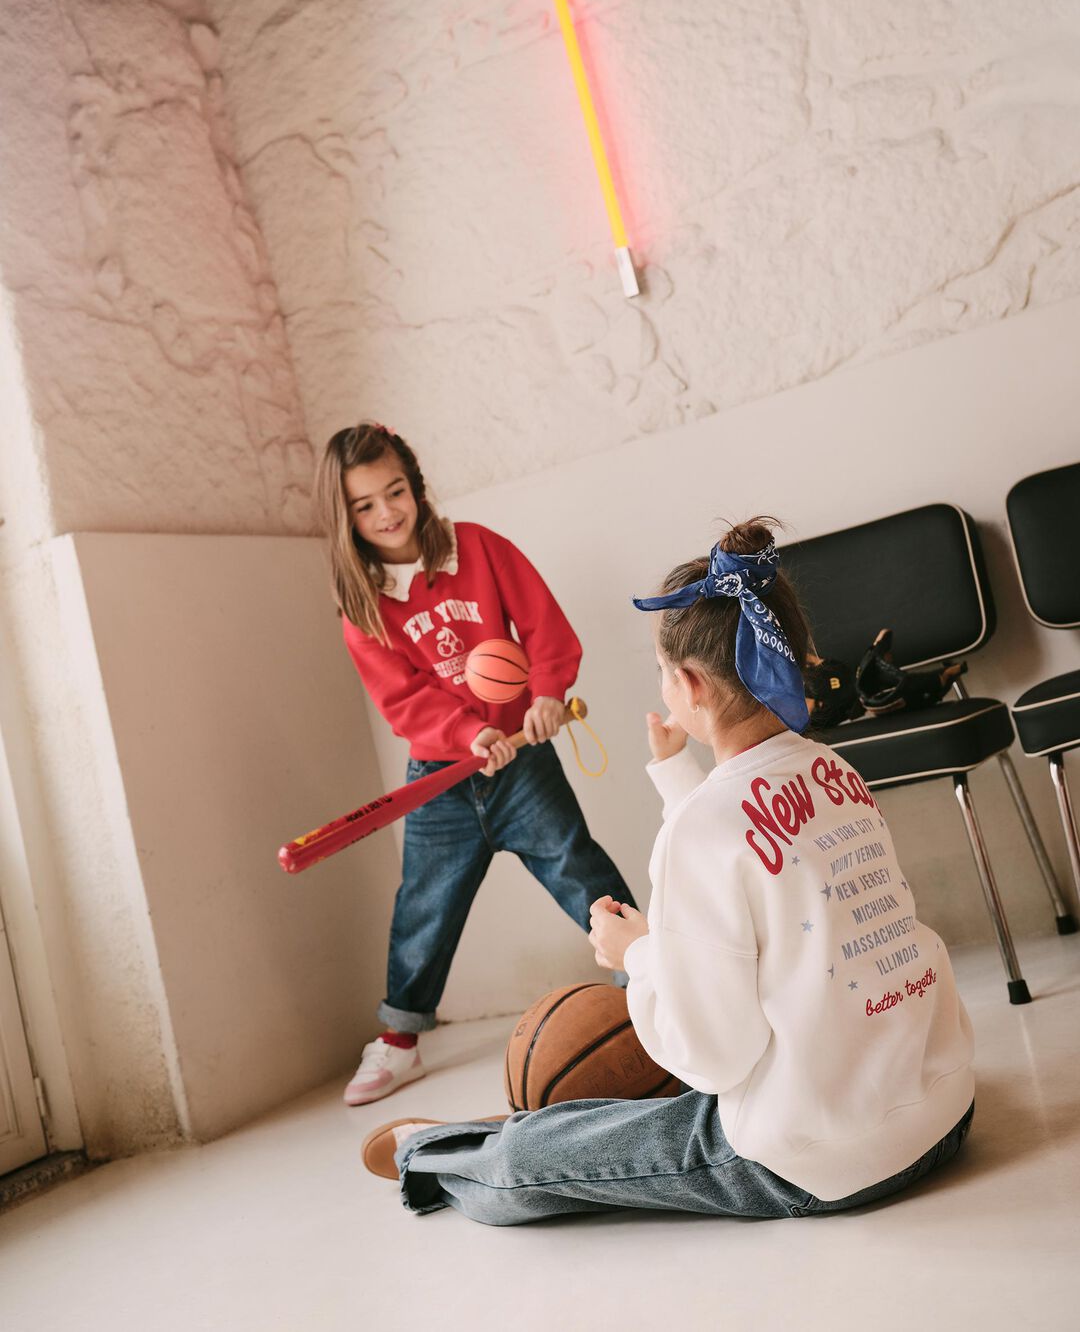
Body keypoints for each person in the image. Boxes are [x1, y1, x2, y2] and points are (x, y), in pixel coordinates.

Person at [362, 518, 975, 1223]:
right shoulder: (835, 773)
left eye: (661, 672)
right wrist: (674, 770)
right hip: (942, 1111)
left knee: (539, 1162)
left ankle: (438, 1152)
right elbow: (759, 855)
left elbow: (711, 1060)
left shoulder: (701, 830)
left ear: (687, 684)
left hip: (818, 1163)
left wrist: (642, 957)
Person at [314, 421, 636, 1106]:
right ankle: (400, 1040)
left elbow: (544, 627)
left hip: (521, 764)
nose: (387, 512)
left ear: (416, 485)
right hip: (442, 778)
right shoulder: (361, 602)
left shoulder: (480, 549)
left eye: (395, 491)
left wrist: (547, 694)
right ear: (345, 518)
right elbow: (402, 699)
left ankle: (654, 978)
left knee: (578, 867)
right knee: (423, 906)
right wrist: (465, 734)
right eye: (365, 505)